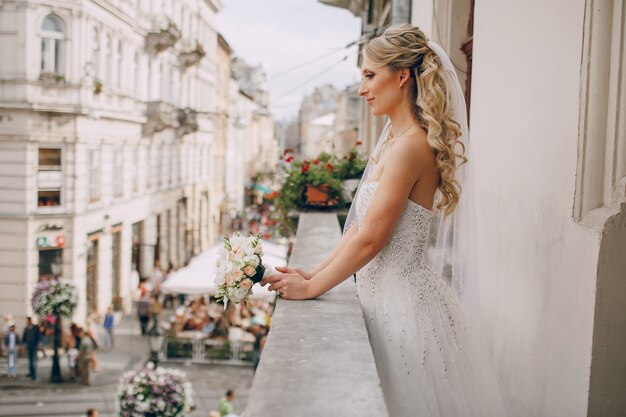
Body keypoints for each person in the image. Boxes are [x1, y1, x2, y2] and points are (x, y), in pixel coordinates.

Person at [261, 24, 507, 416]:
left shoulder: (410, 147)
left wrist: (311, 290)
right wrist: (311, 272)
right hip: (380, 298)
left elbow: (372, 240)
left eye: (370, 75)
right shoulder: (394, 139)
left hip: (404, 307)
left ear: (403, 75)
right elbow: (358, 224)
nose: (362, 89)